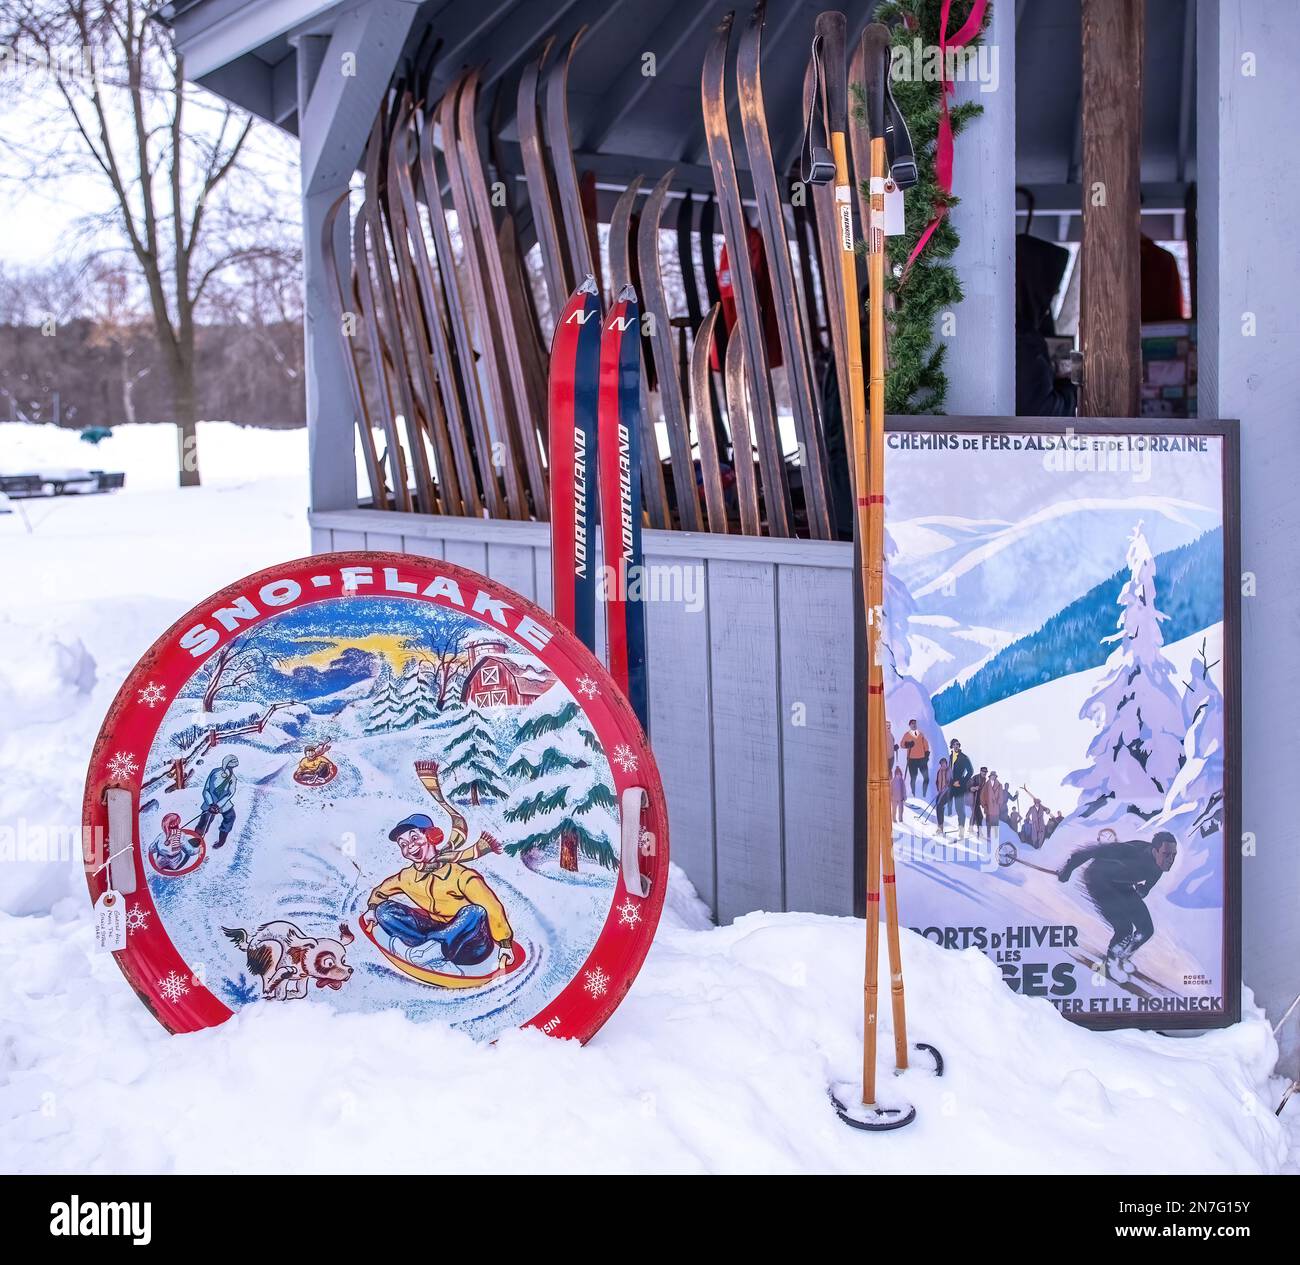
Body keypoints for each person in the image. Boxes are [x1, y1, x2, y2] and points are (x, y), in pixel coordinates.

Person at [368, 761, 512, 971]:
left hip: (470, 945)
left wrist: (505, 944)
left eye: (414, 838)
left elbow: (491, 908)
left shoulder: (461, 875)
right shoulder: (407, 876)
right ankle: (429, 952)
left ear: (432, 837)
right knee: (385, 911)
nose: (411, 847)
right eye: (404, 845)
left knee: (475, 912)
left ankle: (431, 952)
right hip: (433, 933)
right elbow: (381, 892)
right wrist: (373, 909)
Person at [1057, 832, 1178, 969]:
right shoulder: (1132, 851)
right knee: (1124, 930)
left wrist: (1143, 890)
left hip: (1122, 885)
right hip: (1098, 881)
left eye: (1174, 855)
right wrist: (1067, 870)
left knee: (1146, 930)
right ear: (1155, 851)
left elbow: (1146, 887)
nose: (1171, 860)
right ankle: (1111, 963)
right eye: (1167, 854)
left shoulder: (1159, 867)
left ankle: (1122, 956)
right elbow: (1092, 851)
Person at [196, 754, 239, 848]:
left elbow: (230, 794)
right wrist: (211, 803)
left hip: (223, 804)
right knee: (204, 821)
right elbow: (206, 789)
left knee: (230, 817)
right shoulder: (214, 772)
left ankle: (221, 841)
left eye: (233, 767)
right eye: (230, 766)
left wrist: (217, 805)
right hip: (209, 802)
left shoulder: (233, 779)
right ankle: (196, 840)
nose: (231, 769)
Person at [945, 739, 974, 838]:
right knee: (942, 803)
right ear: (952, 746)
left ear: (959, 746)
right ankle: (940, 826)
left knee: (959, 809)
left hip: (960, 787)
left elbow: (970, 771)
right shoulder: (950, 757)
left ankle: (961, 829)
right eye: (954, 744)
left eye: (957, 744)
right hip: (951, 785)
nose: (956, 746)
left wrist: (961, 782)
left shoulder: (964, 758)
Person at [900, 719, 931, 798]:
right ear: (909, 725)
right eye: (912, 724)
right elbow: (902, 744)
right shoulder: (907, 734)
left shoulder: (921, 734)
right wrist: (908, 744)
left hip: (922, 759)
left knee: (926, 778)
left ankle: (924, 794)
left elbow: (926, 745)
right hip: (912, 760)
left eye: (915, 723)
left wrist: (926, 754)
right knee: (913, 778)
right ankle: (913, 794)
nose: (914, 725)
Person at [981, 771, 1003, 841]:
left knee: (995, 823)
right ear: (990, 776)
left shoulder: (999, 785)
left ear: (996, 777)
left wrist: (999, 804)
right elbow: (982, 795)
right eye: (992, 776)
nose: (993, 777)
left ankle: (995, 837)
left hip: (996, 808)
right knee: (988, 823)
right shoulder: (986, 785)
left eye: (994, 776)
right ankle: (988, 837)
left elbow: (1001, 796)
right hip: (988, 807)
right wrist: (984, 805)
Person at [969, 766, 988, 837]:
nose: (984, 773)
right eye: (983, 771)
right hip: (973, 798)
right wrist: (973, 788)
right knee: (979, 816)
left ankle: (970, 828)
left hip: (978, 800)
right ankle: (979, 832)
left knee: (975, 815)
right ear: (980, 771)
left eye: (986, 772)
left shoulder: (984, 780)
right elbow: (969, 786)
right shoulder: (976, 777)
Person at [933, 757, 950, 832]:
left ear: (946, 763)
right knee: (938, 806)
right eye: (942, 764)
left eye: (944, 763)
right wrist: (939, 790)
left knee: (940, 805)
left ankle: (941, 826)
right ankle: (940, 825)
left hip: (947, 793)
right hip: (940, 792)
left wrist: (946, 788)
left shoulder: (949, 771)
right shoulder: (939, 771)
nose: (943, 765)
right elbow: (937, 781)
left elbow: (950, 781)